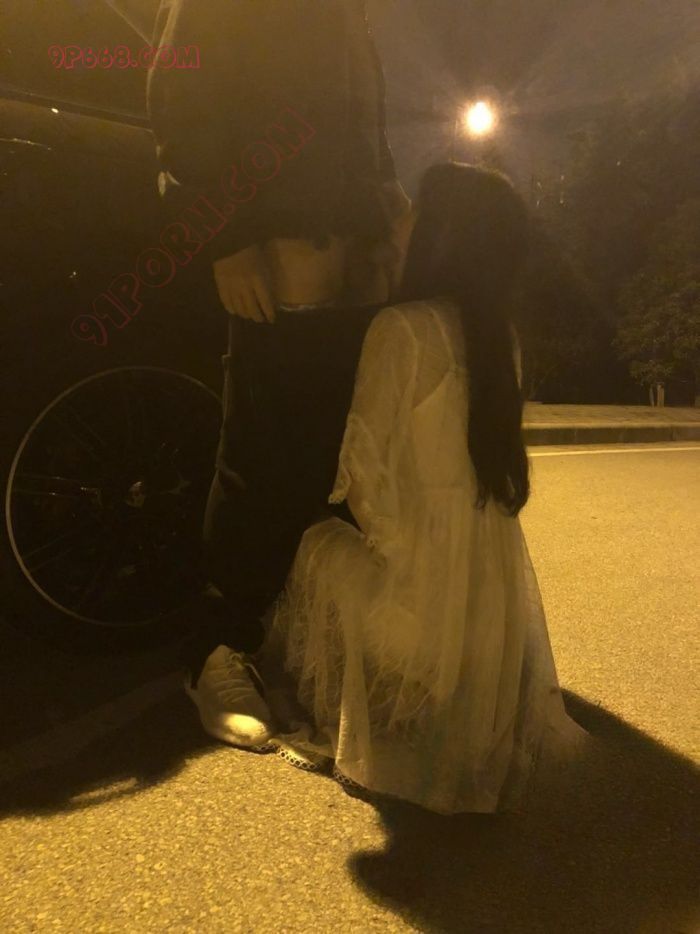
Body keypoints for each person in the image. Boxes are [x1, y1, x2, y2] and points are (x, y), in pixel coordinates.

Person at [252, 163, 593, 815]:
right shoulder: (501, 338)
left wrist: (393, 563)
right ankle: (418, 687)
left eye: (416, 209)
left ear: (443, 231)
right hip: (484, 625)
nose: (400, 217)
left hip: (417, 619)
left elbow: (360, 476)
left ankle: (355, 693)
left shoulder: (402, 328)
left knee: (312, 543)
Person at [146, 1, 411, 749]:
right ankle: (216, 650)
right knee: (260, 454)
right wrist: (225, 241)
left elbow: (361, 119)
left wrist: (387, 205)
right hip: (278, 246)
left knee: (342, 461)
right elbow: (182, 98)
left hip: (351, 256)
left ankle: (307, 649)